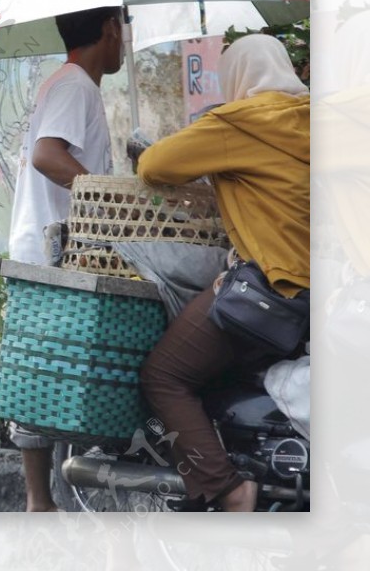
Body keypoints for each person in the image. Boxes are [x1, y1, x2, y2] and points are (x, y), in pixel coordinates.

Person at [137, 33, 309, 512]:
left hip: (273, 293)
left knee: (164, 376)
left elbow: (154, 165)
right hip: (325, 297)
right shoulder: (316, 121)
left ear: (237, 79)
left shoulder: (239, 123)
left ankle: (229, 489)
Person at [8, 4, 126, 511]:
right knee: (43, 378)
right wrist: (108, 197)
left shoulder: (69, 83)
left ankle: (44, 505)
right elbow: (46, 155)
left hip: (47, 251)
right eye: (124, 28)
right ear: (109, 29)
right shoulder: (75, 84)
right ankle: (41, 505)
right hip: (51, 255)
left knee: (44, 376)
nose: (125, 39)